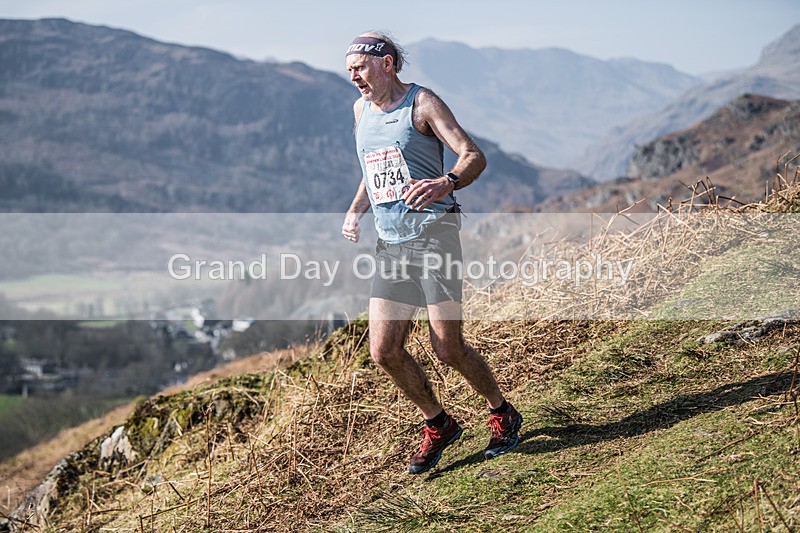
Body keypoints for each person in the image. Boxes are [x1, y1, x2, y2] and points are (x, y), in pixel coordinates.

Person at [341, 32, 522, 475]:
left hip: (434, 235)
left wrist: (448, 182)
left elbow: (472, 155)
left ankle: (502, 412)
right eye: (348, 69)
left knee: (448, 347)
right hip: (391, 243)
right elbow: (372, 167)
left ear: (387, 64)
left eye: (359, 67)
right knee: (383, 351)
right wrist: (355, 212)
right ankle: (439, 424)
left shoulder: (423, 104)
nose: (353, 77)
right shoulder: (360, 110)